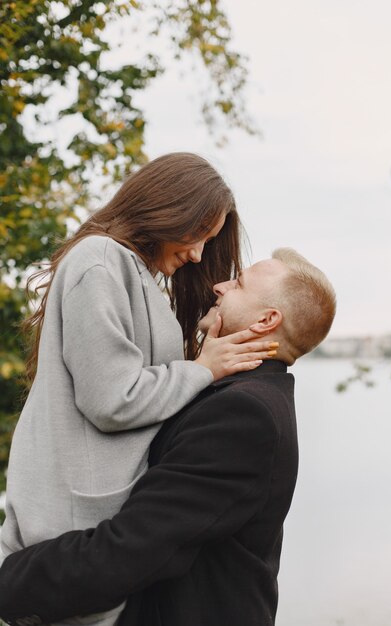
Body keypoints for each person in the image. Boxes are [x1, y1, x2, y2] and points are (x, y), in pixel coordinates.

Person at [0, 153, 277, 626]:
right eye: (198, 237)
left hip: (93, 528)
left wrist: (201, 360)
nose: (197, 255)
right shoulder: (100, 260)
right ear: (169, 208)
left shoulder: (137, 275)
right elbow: (112, 398)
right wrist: (203, 369)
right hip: (69, 528)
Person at [0, 248, 336, 626]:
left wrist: (8, 582)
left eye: (238, 283)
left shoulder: (246, 414)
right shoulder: (242, 394)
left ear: (266, 320)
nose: (220, 285)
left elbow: (133, 548)